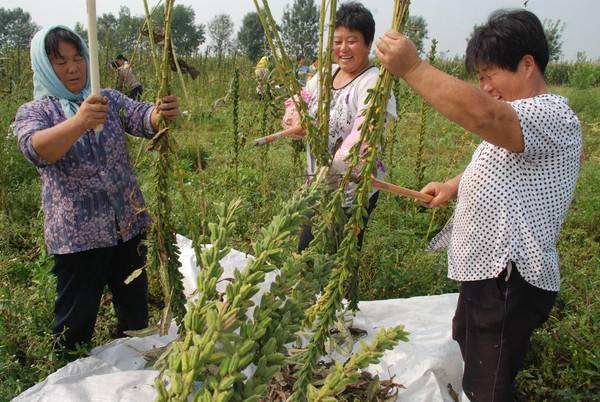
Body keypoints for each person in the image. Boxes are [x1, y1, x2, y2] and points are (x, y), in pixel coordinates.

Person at [376, 9, 581, 402]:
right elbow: (501, 159)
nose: (485, 87)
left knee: (489, 386)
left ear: (526, 64)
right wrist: (454, 185)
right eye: (480, 78)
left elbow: (485, 117)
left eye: (490, 75)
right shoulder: (520, 121)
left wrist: (414, 68)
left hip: (510, 275)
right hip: (487, 270)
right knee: (468, 348)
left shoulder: (552, 115)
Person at [14, 26, 180, 350]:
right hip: (79, 239)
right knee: (75, 325)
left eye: (78, 58)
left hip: (127, 225)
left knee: (136, 316)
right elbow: (36, 149)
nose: (74, 68)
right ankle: (68, 376)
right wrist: (79, 123)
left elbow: (144, 118)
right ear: (45, 67)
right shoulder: (36, 112)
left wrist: (162, 114)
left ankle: (135, 373)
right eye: (61, 62)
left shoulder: (108, 99)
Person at [283, 2, 396, 252]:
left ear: (368, 44)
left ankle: (342, 291)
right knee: (307, 251)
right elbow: (300, 99)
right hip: (319, 183)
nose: (343, 48)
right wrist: (296, 118)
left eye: (352, 41)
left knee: (339, 255)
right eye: (337, 41)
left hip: (353, 189)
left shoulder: (373, 82)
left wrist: (331, 172)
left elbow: (362, 136)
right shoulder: (327, 74)